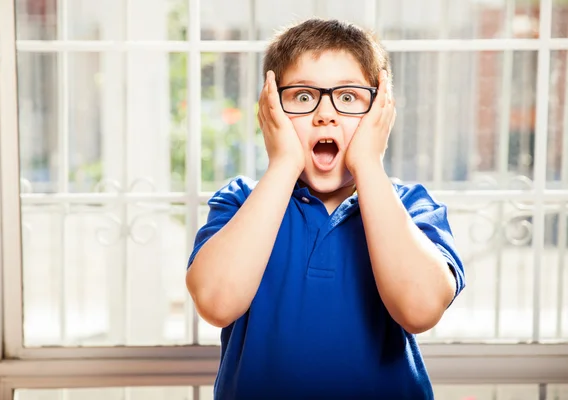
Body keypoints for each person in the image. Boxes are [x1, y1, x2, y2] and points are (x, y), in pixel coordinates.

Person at [186, 18, 465, 400]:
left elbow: (419, 310)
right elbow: (217, 302)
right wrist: (284, 162)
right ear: (271, 110)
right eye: (302, 97)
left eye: (348, 97)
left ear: (380, 113)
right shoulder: (240, 203)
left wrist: (368, 162)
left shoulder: (409, 208)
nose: (325, 114)